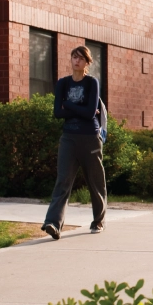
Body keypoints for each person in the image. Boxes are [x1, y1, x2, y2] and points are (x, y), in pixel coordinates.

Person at [41, 46, 107, 240]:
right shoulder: (63, 83)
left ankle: (98, 221)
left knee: (95, 182)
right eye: (74, 57)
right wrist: (82, 109)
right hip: (68, 137)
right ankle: (53, 223)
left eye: (80, 58)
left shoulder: (91, 83)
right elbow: (57, 113)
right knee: (63, 181)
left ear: (87, 62)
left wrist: (68, 104)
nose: (76, 61)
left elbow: (89, 113)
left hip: (90, 138)